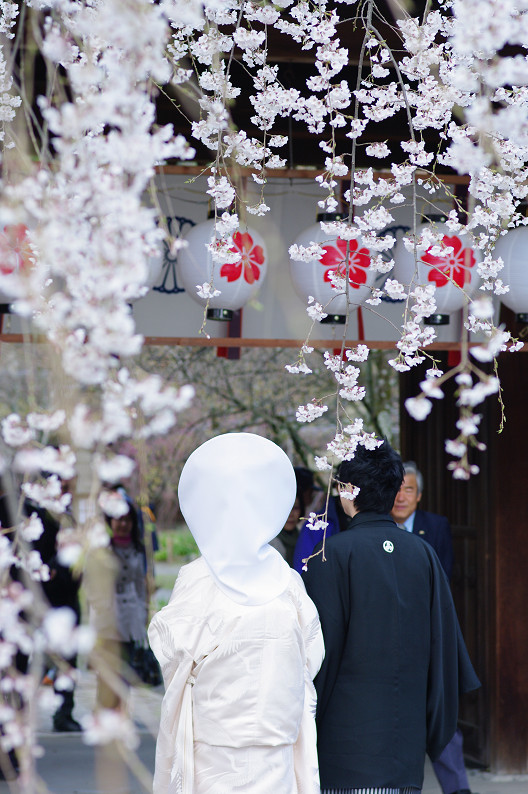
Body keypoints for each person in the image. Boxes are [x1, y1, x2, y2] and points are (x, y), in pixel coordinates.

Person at [148, 432, 324, 794]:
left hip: (215, 747)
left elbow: (169, 650)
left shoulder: (197, 577)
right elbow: (312, 656)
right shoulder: (287, 582)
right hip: (273, 744)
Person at [302, 441, 480, 794]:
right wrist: (431, 727)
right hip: (406, 749)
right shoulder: (423, 554)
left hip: (347, 748)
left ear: (350, 492)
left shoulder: (331, 555)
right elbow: (443, 650)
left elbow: (316, 657)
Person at [391, 461, 475, 794]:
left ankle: (458, 788)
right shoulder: (368, 531)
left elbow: (442, 577)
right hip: (386, 639)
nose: (401, 496)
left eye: (408, 489)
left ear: (419, 495)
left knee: (442, 712)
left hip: (428, 634)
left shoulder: (435, 526)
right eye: (396, 489)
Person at [84, 499, 148, 710]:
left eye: (128, 520)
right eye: (119, 520)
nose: (123, 524)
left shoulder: (138, 549)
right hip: (108, 618)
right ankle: (103, 712)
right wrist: (100, 606)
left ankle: (120, 712)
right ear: (110, 522)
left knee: (126, 671)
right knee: (107, 671)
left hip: (130, 618)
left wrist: (142, 610)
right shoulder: (101, 549)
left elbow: (141, 582)